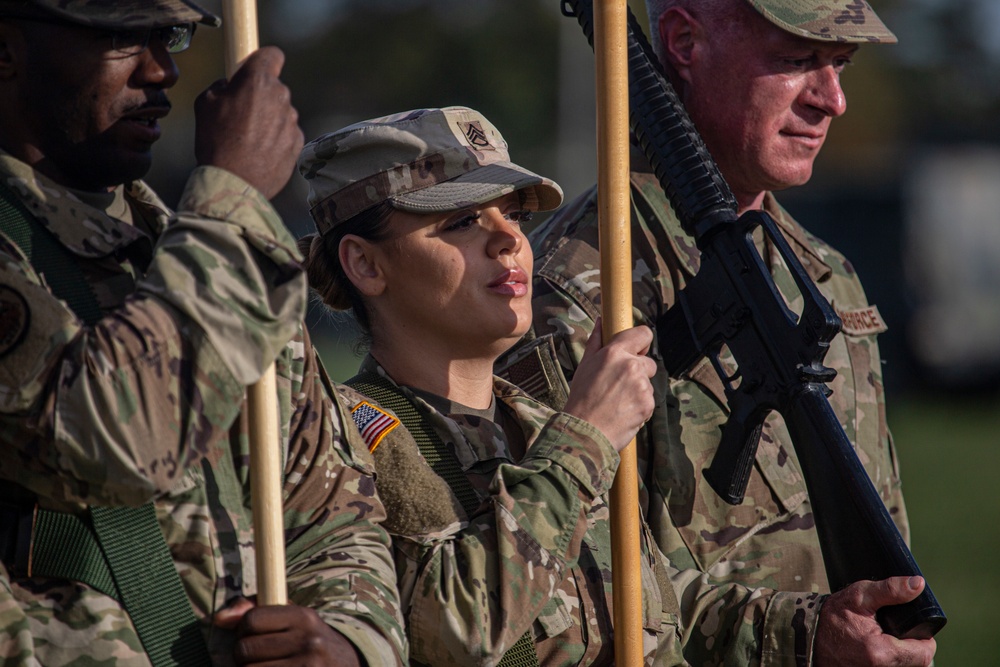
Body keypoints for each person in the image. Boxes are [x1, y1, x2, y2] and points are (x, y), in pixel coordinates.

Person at [504, 0, 938, 665]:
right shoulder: (582, 291)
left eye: (839, 64)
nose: (834, 101)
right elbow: (563, 592)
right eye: (795, 62)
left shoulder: (829, 278)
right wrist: (802, 638)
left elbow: (882, 536)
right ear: (682, 41)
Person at [0, 1, 405, 665]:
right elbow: (119, 444)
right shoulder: (224, 246)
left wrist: (346, 641)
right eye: (118, 38)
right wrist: (235, 196)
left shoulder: (210, 254)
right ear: (7, 49)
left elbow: (331, 511)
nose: (162, 70)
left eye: (171, 36)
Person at [296, 106, 687, 666]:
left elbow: (664, 607)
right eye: (461, 222)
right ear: (364, 264)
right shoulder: (342, 442)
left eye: (514, 217)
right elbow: (457, 628)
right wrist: (585, 441)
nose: (508, 241)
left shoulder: (543, 420)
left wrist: (812, 625)